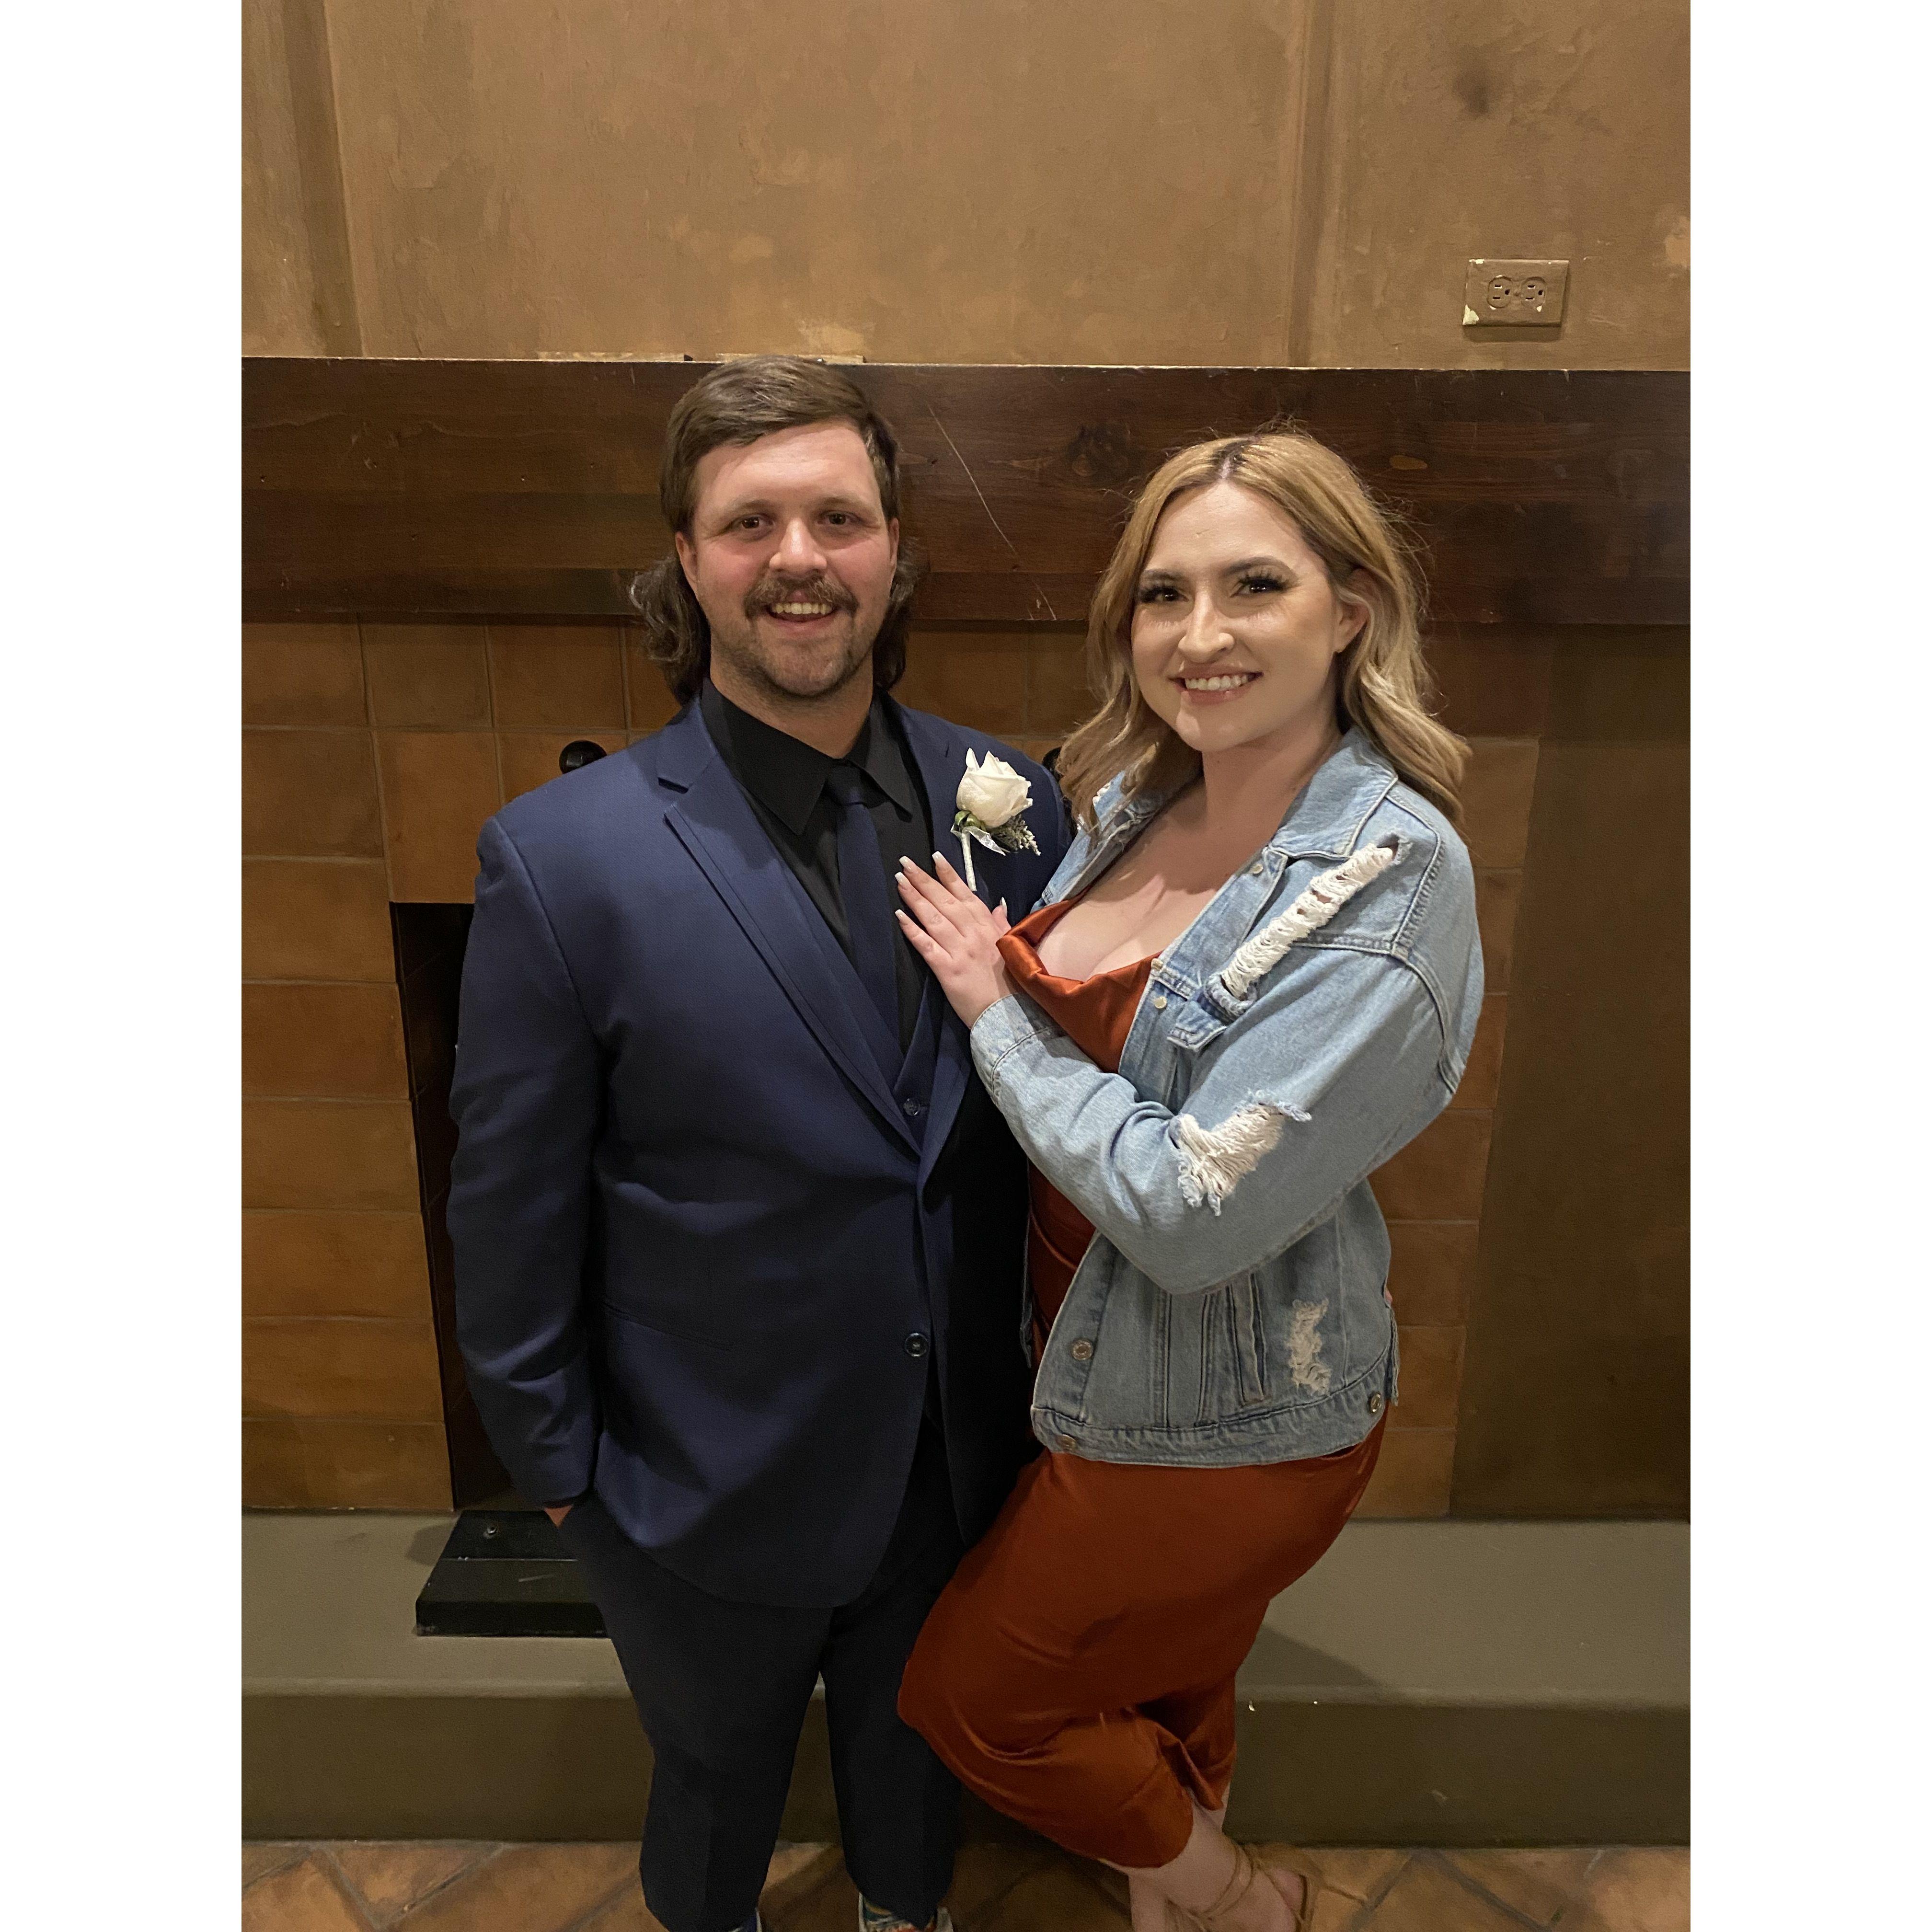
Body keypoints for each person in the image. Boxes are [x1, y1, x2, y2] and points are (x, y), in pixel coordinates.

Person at [448, 356, 1070, 1932]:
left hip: (958, 1463)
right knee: (715, 1778)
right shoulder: (560, 860)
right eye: (751, 523)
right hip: (693, 1482)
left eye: (838, 518)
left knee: (916, 1769)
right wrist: (563, 1476)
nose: (800, 557)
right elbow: (511, 1201)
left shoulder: (1019, 809)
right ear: (688, 557)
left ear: (895, 550)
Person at [892, 428, 1482, 1932]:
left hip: (1227, 1413)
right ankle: (1172, 1877)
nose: (1200, 634)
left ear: (1351, 609)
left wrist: (990, 1012)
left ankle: (1234, 1895)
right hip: (1079, 1349)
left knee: (975, 1698)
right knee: (1168, 1663)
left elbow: (1191, 1211)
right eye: (1165, 594)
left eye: (1255, 586)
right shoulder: (1136, 797)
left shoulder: (1393, 876)